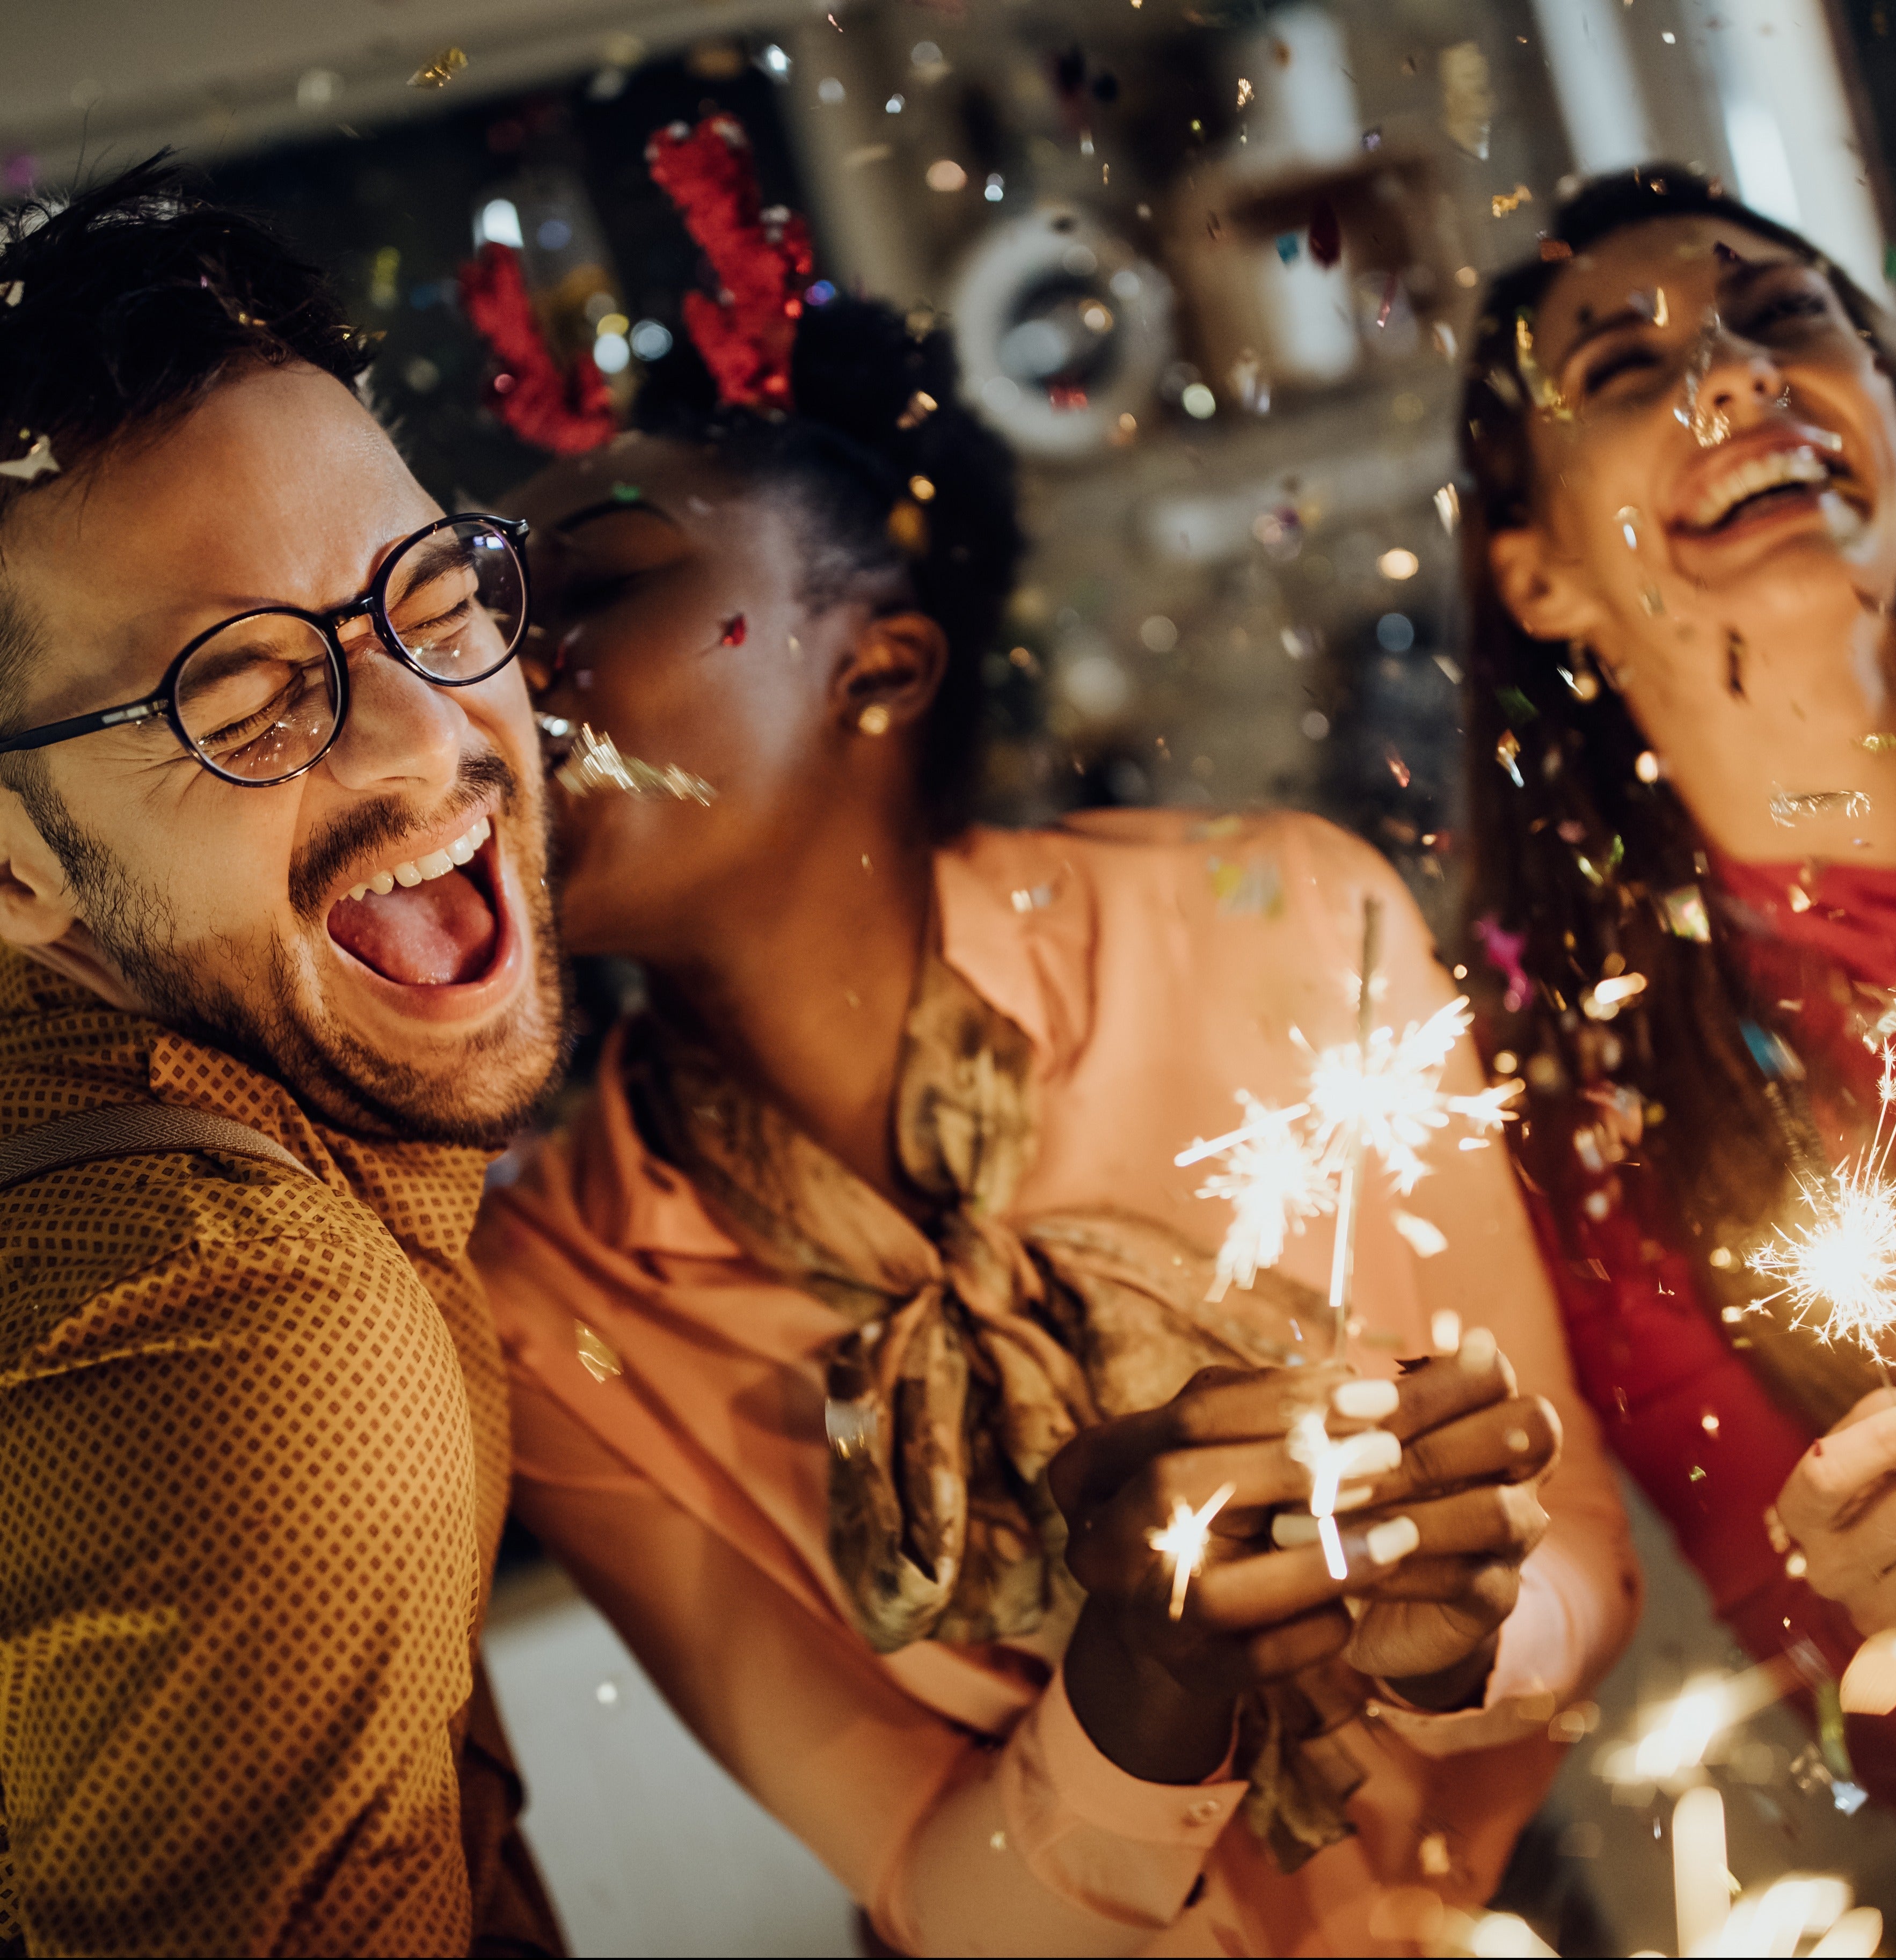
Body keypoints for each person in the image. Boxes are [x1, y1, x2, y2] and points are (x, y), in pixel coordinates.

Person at [471, 127, 1637, 1955]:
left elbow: (1564, 1521)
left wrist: (1466, 1626)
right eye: (474, 619)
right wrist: (1143, 1687)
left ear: (880, 665)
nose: (490, 672)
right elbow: (942, 1899)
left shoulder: (1278, 914)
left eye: (587, 587)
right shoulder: (547, 1299)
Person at [0, 163, 568, 1954]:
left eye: (434, 590)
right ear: (12, 868)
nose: (428, 734)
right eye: (241, 703)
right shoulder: (264, 1349)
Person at [1462, 166, 1896, 1831]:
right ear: (1534, 579)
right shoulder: (1598, 1115)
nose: (1737, 376)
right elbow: (1882, 1733)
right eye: (1620, 368)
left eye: (1783, 315)